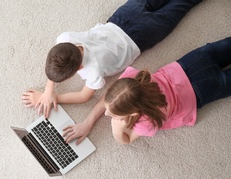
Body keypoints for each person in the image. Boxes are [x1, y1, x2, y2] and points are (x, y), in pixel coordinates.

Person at [21, 0, 203, 118]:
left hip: (141, 36)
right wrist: (47, 90)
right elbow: (56, 58)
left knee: (181, 4)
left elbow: (84, 96)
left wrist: (53, 96)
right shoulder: (65, 38)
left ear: (78, 70)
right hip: (122, 17)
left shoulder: (94, 72)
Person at [62, 37, 231, 145]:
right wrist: (88, 122)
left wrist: (117, 130)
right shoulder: (133, 79)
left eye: (114, 115)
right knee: (223, 48)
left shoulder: (147, 123)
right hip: (191, 63)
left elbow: (127, 140)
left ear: (134, 112)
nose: (107, 115)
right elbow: (111, 98)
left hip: (200, 91)